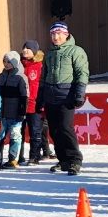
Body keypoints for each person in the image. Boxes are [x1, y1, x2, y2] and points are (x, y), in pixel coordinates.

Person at [38, 22, 90, 174]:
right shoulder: (49, 53)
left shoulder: (76, 51)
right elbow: (43, 77)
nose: (56, 37)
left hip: (66, 96)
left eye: (59, 33)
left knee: (65, 128)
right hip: (50, 96)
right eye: (53, 34)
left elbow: (82, 73)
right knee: (54, 130)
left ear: (66, 34)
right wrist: (40, 97)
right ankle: (63, 160)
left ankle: (74, 160)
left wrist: (79, 94)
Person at [0, 53, 28, 170]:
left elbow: (24, 97)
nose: (6, 64)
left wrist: (21, 113)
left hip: (15, 114)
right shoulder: (0, 77)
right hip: (1, 114)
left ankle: (13, 159)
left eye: (8, 61)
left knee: (15, 136)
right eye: (4, 61)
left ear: (15, 63)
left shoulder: (20, 78)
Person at [19, 41, 47, 164]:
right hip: (21, 103)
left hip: (35, 103)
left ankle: (34, 156)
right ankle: (18, 157)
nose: (25, 50)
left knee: (35, 131)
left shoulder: (40, 65)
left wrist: (43, 102)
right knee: (19, 132)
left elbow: (43, 85)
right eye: (24, 48)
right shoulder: (19, 65)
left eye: (28, 48)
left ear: (34, 51)